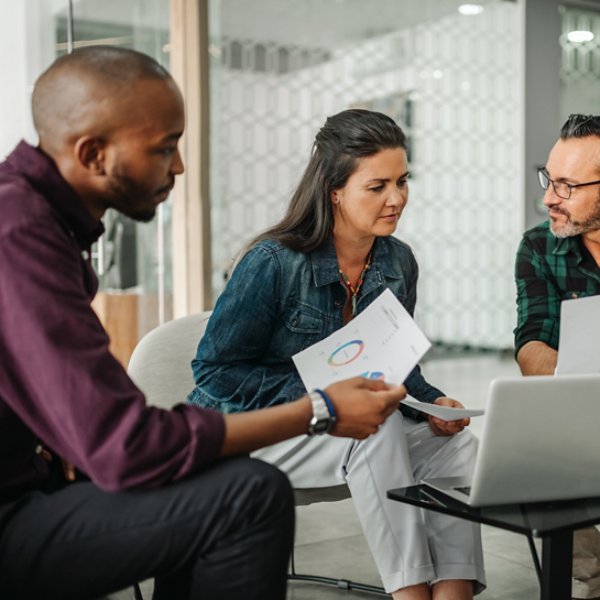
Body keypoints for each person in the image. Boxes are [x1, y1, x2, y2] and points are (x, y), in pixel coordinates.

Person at [0, 47, 405, 600]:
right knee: (249, 496)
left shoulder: (31, 221)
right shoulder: (17, 237)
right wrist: (321, 409)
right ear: (93, 154)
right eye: (164, 148)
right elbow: (126, 445)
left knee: (212, 481)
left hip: (33, 484)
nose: (179, 166)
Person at [188, 108, 486, 600]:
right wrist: (327, 398)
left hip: (340, 430)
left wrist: (435, 401)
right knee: (378, 429)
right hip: (258, 428)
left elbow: (398, 363)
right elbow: (215, 373)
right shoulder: (273, 263)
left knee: (455, 448)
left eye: (403, 181)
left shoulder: (398, 261)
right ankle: (409, 593)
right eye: (377, 186)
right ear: (334, 190)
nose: (397, 199)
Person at [514, 113, 600, 600]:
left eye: (567, 186)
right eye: (549, 179)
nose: (548, 197)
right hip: (578, 410)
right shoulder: (539, 247)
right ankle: (591, 583)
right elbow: (531, 347)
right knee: (535, 453)